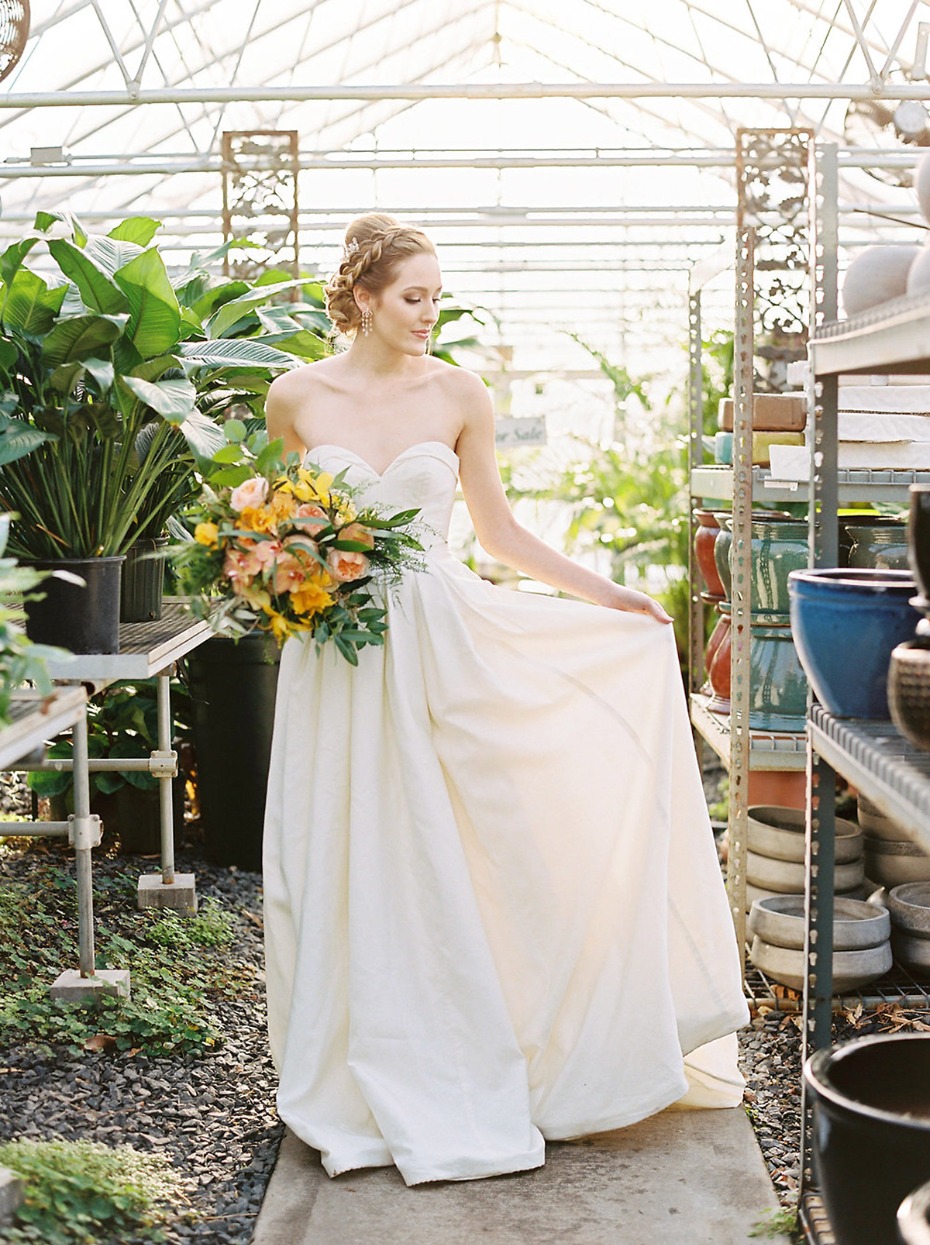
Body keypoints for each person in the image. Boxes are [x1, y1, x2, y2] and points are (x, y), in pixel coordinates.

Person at [262, 212, 749, 1188]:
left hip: (445, 644)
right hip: (337, 657)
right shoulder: (293, 397)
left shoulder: (460, 394)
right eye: (413, 297)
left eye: (437, 297)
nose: (429, 314)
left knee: (483, 838)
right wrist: (285, 577)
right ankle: (356, 1055)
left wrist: (610, 597)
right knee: (342, 847)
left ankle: (522, 1038)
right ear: (362, 297)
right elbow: (281, 528)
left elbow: (502, 534)